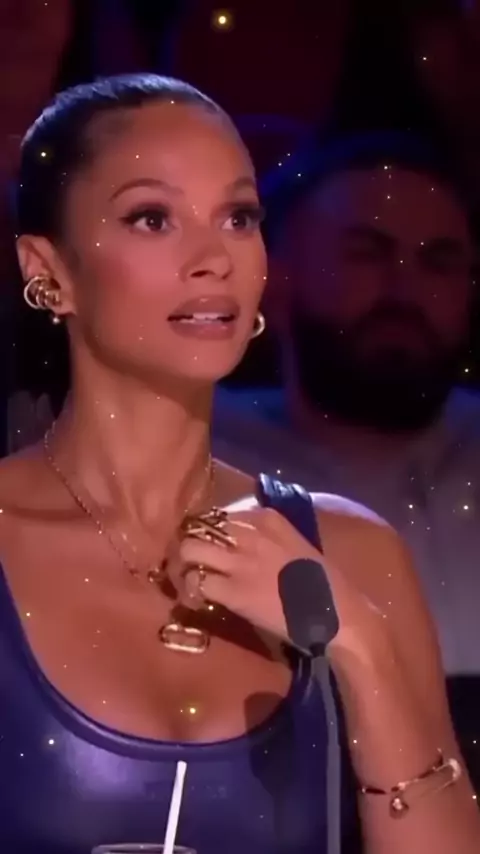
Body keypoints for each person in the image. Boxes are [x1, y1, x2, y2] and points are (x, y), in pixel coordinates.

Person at [1, 74, 478, 854]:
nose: (213, 258)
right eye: (153, 218)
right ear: (46, 271)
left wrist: (358, 643)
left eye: (238, 217)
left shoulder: (355, 552)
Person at [214, 131, 480, 679]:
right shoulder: (193, 455)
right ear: (273, 283)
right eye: (367, 254)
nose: (406, 290)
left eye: (439, 262)